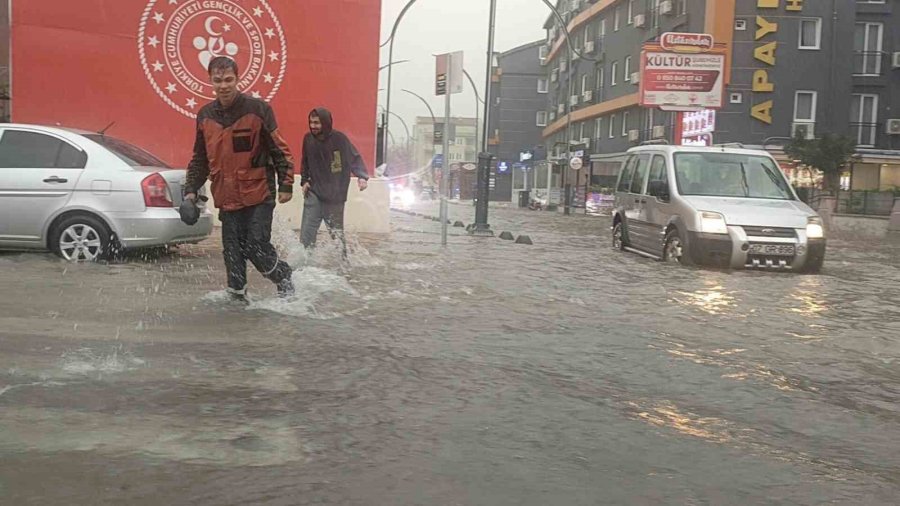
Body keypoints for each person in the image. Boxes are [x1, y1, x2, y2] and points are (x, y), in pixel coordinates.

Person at [183, 56, 295, 301]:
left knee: (256, 247)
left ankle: (284, 277)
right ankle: (236, 298)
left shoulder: (258, 110)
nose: (224, 85)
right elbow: (199, 159)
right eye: (218, 80)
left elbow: (280, 149)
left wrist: (286, 184)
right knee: (232, 252)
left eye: (229, 80)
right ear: (210, 80)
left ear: (238, 78)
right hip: (226, 196)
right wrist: (190, 191)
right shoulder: (204, 116)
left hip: (259, 194)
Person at [299, 108, 369, 257]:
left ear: (325, 122)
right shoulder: (308, 139)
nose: (313, 126)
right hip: (314, 191)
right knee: (307, 235)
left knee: (336, 236)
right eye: (311, 122)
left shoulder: (339, 139)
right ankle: (305, 266)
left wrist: (362, 177)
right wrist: (304, 181)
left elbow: (354, 157)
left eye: (316, 123)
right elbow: (304, 162)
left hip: (335, 195)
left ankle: (343, 266)